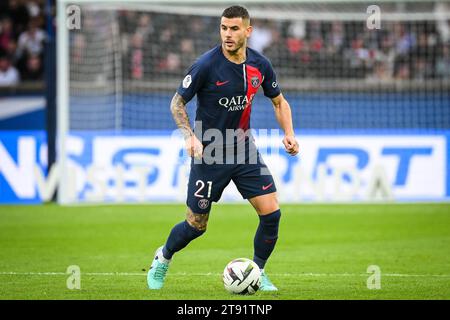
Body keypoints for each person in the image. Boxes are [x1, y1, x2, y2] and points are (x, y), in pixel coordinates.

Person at [147, 5, 299, 291]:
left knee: (272, 214)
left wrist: (289, 133)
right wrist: (189, 136)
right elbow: (177, 102)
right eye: (223, 28)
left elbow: (279, 101)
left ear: (248, 31)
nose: (227, 34)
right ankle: (164, 256)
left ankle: (257, 271)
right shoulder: (205, 65)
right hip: (210, 152)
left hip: (244, 149)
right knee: (195, 226)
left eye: (234, 29)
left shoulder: (260, 65)